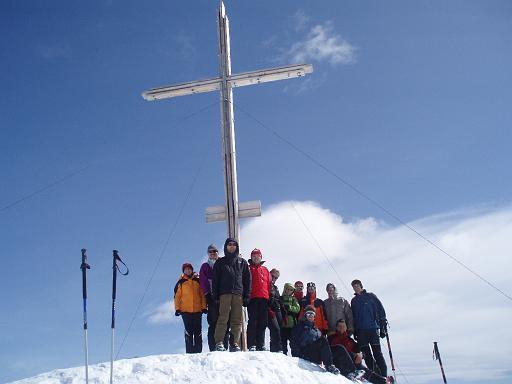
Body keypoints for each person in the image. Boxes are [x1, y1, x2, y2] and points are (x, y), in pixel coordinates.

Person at [212, 238, 251, 352]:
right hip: (224, 294)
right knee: (223, 318)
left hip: (238, 294)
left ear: (236, 247)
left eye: (234, 245)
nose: (232, 246)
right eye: (229, 244)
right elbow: (215, 280)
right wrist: (215, 296)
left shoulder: (242, 262)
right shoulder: (220, 262)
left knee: (237, 320)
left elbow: (248, 280)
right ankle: (219, 342)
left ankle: (234, 343)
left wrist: (247, 295)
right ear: (226, 246)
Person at [329, 319, 393, 384]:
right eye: (339, 326)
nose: (341, 328)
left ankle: (383, 381)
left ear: (346, 328)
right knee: (349, 353)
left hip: (354, 364)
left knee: (364, 370)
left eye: (343, 326)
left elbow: (360, 350)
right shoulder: (332, 338)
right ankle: (354, 371)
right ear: (336, 328)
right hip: (340, 363)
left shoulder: (350, 340)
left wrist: (360, 354)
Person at [351, 279, 388, 376]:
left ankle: (384, 375)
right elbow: (353, 317)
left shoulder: (371, 296)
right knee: (366, 355)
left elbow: (381, 311)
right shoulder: (354, 301)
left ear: (361, 286)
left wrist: (383, 328)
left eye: (357, 286)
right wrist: (355, 331)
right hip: (361, 331)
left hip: (372, 329)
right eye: (354, 287)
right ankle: (374, 374)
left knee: (377, 353)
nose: (356, 288)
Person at [290, 306, 340, 375]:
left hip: (316, 354)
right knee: (322, 340)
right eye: (308, 314)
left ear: (314, 317)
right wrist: (298, 355)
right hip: (305, 353)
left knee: (339, 348)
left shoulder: (317, 330)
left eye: (312, 314)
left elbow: (324, 347)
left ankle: (351, 371)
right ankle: (329, 365)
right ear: (305, 316)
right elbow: (293, 342)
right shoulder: (299, 327)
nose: (310, 316)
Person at [199, 244, 230, 351]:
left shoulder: (223, 263)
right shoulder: (205, 266)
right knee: (213, 322)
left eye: (215, 252)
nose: (213, 254)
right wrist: (207, 294)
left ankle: (224, 345)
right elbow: (203, 282)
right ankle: (213, 347)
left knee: (225, 321)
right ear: (208, 254)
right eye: (211, 252)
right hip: (212, 297)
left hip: (224, 296)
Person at [173, 262, 207, 353]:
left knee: (198, 332)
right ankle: (189, 352)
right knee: (188, 331)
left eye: (189, 269)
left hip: (197, 310)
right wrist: (177, 309)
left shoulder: (197, 280)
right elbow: (177, 296)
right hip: (185, 311)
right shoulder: (181, 282)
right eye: (186, 269)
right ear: (183, 271)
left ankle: (198, 351)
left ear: (192, 270)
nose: (188, 270)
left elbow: (202, 294)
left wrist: (204, 307)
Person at [247, 248, 271, 351]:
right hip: (252, 298)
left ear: (261, 257)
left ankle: (261, 344)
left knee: (263, 322)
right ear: (251, 257)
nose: (256, 257)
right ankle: (252, 344)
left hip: (264, 298)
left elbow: (269, 284)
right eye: (254, 256)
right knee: (253, 321)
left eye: (258, 256)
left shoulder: (265, 269)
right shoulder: (248, 268)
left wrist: (270, 296)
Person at [280, 282, 300, 355]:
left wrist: (289, 308)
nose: (289, 291)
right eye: (287, 289)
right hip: (282, 324)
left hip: (292, 325)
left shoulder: (294, 299)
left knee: (293, 343)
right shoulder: (280, 298)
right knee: (283, 342)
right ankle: (283, 355)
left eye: (291, 290)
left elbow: (297, 308)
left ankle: (295, 356)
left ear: (293, 291)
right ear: (285, 289)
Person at [268, 268, 283, 352]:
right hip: (270, 310)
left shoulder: (275, 287)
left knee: (279, 330)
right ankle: (277, 349)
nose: (274, 279)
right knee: (275, 329)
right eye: (272, 276)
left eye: (276, 278)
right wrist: (268, 309)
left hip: (278, 311)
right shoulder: (266, 284)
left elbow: (278, 300)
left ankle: (276, 349)